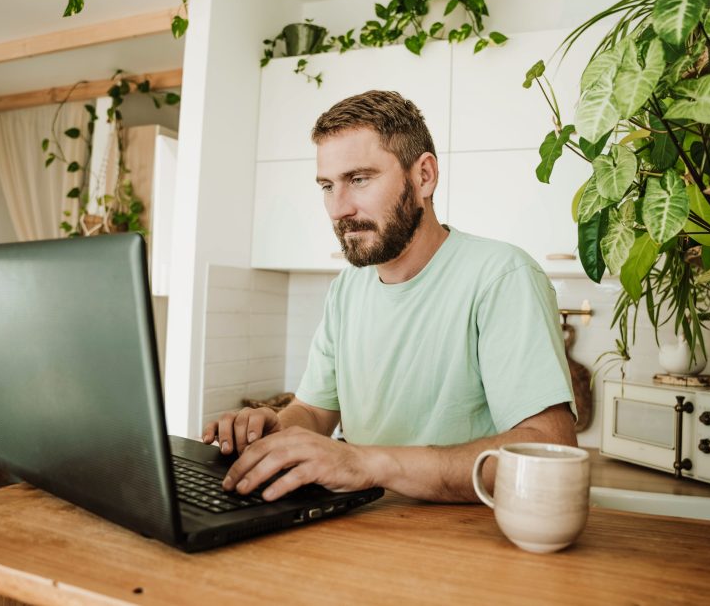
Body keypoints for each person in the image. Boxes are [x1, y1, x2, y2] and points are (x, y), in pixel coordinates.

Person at [203, 90, 576, 503]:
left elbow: (549, 451)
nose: (338, 208)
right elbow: (313, 412)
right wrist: (277, 428)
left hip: (467, 548)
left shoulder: (501, 276)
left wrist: (367, 463)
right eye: (327, 185)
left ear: (424, 176)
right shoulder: (347, 290)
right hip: (363, 532)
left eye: (359, 179)